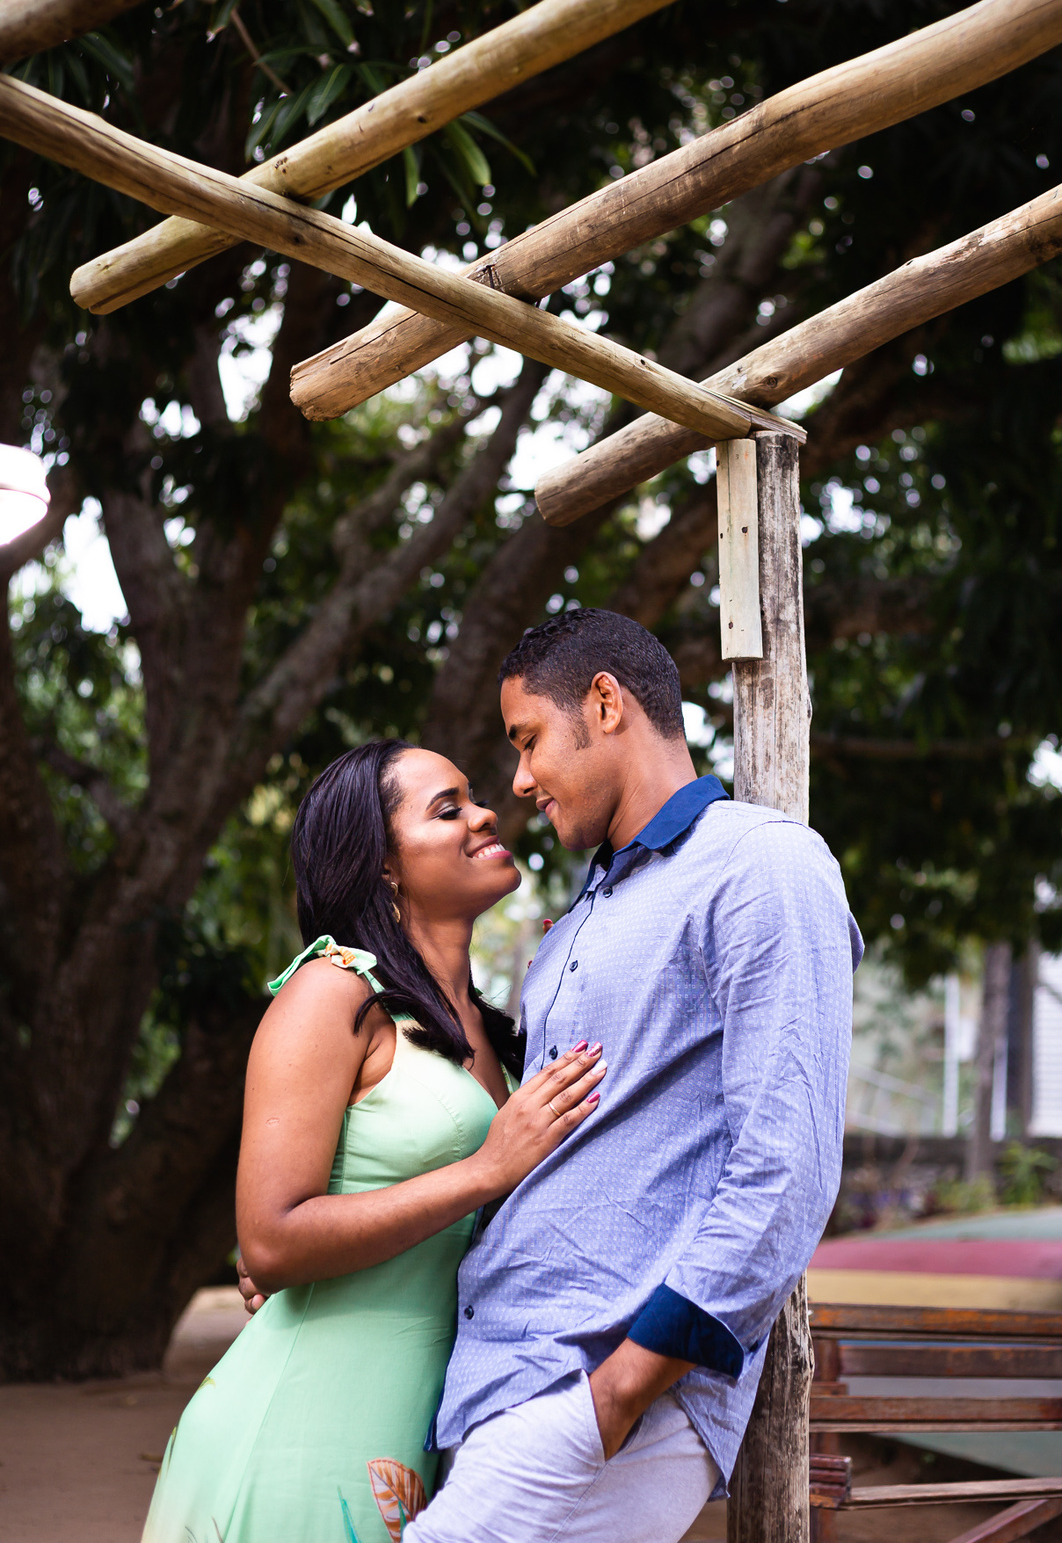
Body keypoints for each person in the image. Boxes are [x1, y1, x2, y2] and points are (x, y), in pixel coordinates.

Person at [400, 607, 864, 1543]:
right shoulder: (577, 921)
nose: (519, 780)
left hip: (599, 1383)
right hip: (501, 1378)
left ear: (606, 704)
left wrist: (620, 1390)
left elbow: (787, 1167)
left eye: (528, 739)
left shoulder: (760, 865)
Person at [143, 738, 605, 1543]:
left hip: (427, 1438)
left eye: (474, 798)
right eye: (448, 809)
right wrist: (485, 1171)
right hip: (302, 1432)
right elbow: (270, 1241)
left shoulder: (497, 1033)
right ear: (384, 865)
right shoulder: (334, 994)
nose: (486, 814)